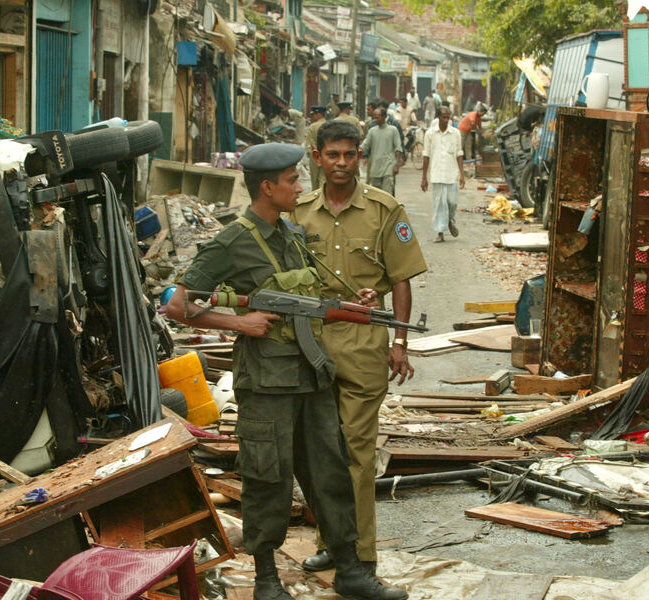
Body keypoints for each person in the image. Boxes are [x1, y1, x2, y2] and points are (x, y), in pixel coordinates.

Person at [166, 143, 408, 600]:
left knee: (331, 472)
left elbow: (313, 302)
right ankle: (266, 580)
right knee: (267, 477)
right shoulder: (232, 241)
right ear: (267, 187)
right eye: (293, 181)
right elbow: (180, 305)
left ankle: (350, 570)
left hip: (311, 376)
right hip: (267, 384)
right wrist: (239, 322)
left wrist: (355, 304)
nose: (301, 187)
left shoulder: (292, 235)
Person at [294, 120, 427, 579]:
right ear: (317, 157)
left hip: (364, 345)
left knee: (357, 453)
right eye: (333, 155)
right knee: (319, 453)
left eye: (350, 155)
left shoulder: (384, 209)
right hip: (310, 344)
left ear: (360, 157)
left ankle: (361, 556)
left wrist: (401, 341)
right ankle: (331, 545)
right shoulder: (299, 212)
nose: (342, 163)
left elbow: (402, 278)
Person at [421, 106, 464, 242]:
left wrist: (462, 174)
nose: (446, 120)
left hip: (452, 174)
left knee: (452, 202)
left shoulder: (455, 133)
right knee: (439, 204)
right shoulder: (430, 134)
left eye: (448, 117)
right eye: (444, 117)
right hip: (437, 173)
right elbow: (426, 155)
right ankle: (440, 232)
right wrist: (424, 178)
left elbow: (459, 153)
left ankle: (450, 220)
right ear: (438, 117)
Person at [360, 108, 403, 195]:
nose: (375, 119)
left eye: (377, 117)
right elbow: (364, 146)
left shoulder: (393, 130)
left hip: (388, 168)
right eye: (374, 117)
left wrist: (397, 165)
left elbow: (398, 148)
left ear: (384, 117)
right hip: (375, 169)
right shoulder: (372, 131)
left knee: (387, 195)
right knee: (376, 196)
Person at [306, 105, 328, 189]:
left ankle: (316, 197)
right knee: (324, 177)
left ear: (319, 114)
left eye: (314, 114)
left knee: (314, 179)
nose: (313, 117)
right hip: (327, 154)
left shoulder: (313, 126)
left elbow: (310, 143)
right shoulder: (329, 125)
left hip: (315, 155)